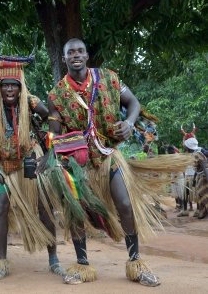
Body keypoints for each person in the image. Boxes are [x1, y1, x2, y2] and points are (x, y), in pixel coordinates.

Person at [47, 38, 191, 287]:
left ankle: (136, 263)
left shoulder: (109, 78)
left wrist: (130, 123)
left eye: (80, 51)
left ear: (87, 54)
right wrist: (60, 160)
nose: (76, 55)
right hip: (78, 163)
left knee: (125, 204)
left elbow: (133, 103)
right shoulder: (56, 94)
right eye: (71, 52)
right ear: (64, 58)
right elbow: (55, 133)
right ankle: (82, 265)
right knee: (76, 210)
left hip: (109, 156)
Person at [0, 55, 63, 280]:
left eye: (13, 86)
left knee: (44, 205)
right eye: (5, 85)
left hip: (31, 160)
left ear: (20, 87)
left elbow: (53, 118)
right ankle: (1, 262)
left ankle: (53, 258)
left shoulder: (31, 102)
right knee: (0, 207)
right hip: (3, 166)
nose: (9, 89)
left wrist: (50, 152)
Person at [179, 138, 199, 217]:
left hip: (194, 176)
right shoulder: (185, 155)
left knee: (196, 194)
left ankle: (198, 210)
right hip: (187, 176)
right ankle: (184, 210)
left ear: (188, 147)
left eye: (185, 145)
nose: (183, 146)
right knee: (185, 194)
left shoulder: (196, 154)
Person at [194, 148, 208, 219]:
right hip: (202, 177)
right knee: (201, 195)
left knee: (203, 195)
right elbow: (197, 170)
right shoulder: (196, 154)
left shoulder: (199, 155)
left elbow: (205, 168)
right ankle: (203, 213)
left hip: (205, 178)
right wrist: (194, 179)